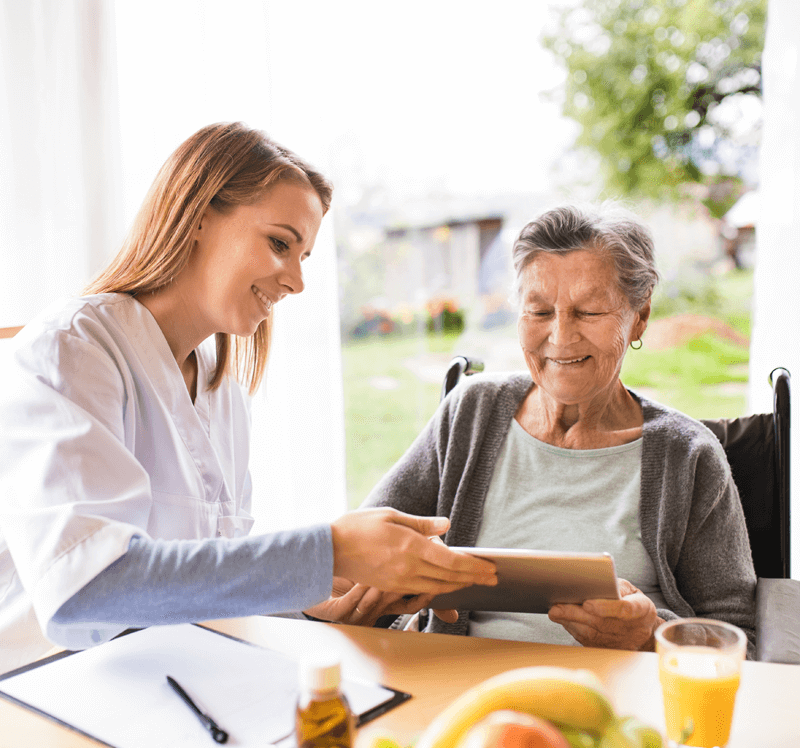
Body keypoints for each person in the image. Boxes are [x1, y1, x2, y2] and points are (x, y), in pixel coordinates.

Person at [0, 122, 496, 674]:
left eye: (303, 256)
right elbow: (85, 590)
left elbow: (201, 588)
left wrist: (321, 608)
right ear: (197, 216)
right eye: (279, 243)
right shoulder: (72, 351)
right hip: (40, 699)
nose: (296, 283)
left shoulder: (222, 389)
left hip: (164, 689)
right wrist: (329, 551)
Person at [363, 203, 757, 655]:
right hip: (462, 687)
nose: (561, 337)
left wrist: (651, 637)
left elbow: (740, 636)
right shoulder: (471, 411)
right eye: (539, 311)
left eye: (588, 312)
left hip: (623, 697)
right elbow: (364, 549)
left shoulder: (689, 456)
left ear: (640, 316)